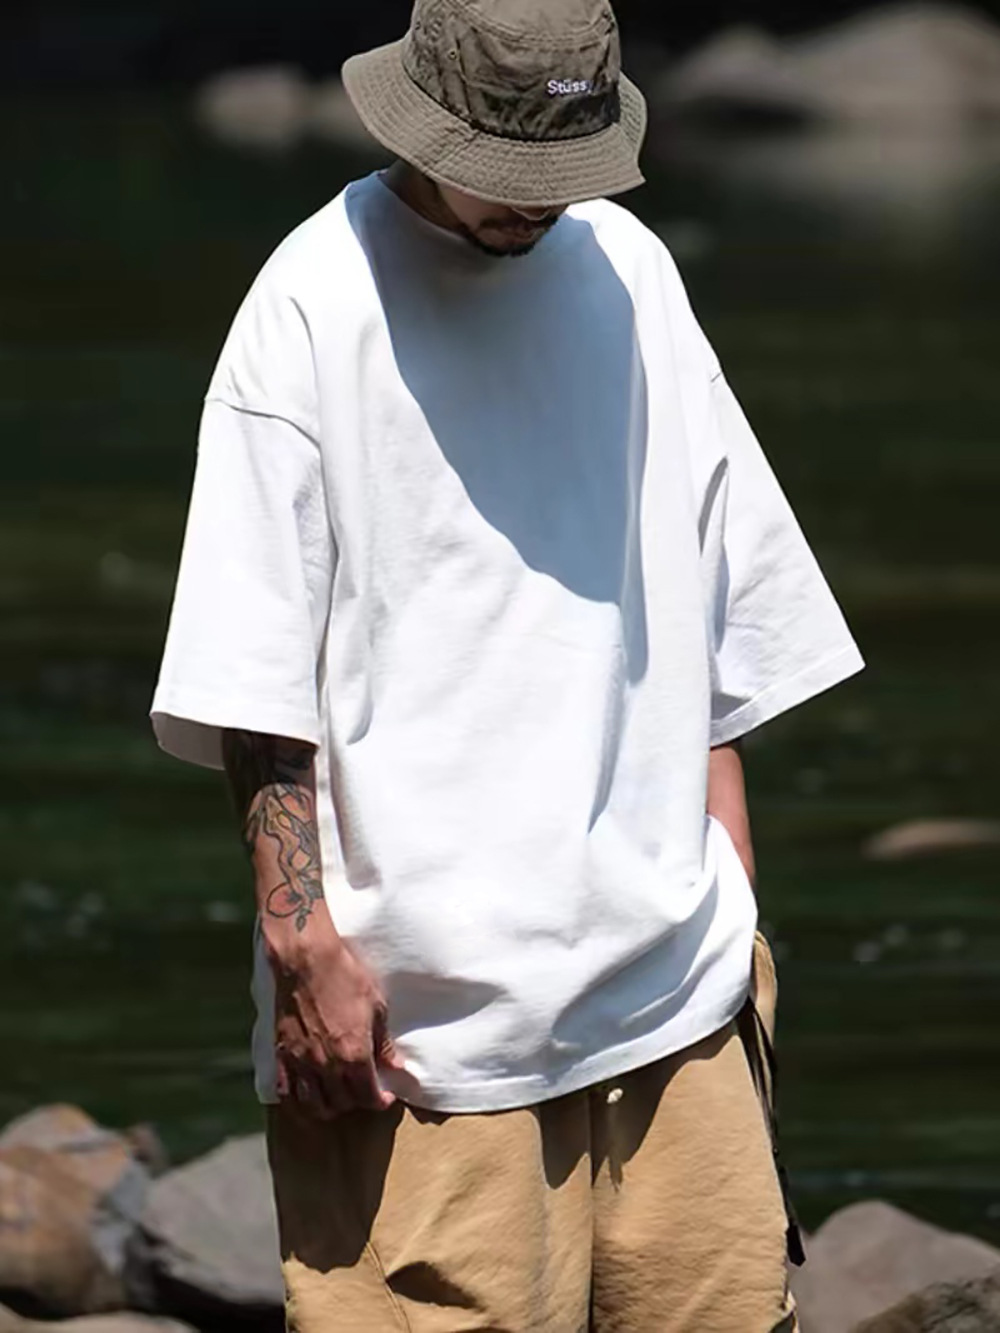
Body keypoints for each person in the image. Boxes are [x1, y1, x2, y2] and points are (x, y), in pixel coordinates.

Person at [150, 0, 864, 1327]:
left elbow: (718, 606)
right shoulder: (312, 303)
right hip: (423, 1032)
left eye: (566, 167)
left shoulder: (632, 273)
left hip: (676, 999)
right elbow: (251, 672)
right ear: (418, 119)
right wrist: (303, 948)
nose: (540, 201)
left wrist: (736, 910)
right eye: (509, 166)